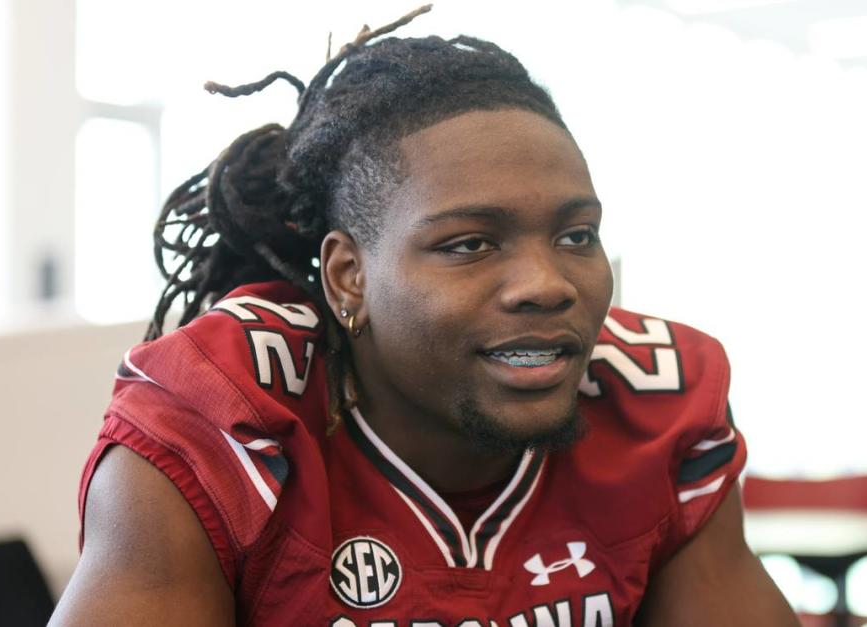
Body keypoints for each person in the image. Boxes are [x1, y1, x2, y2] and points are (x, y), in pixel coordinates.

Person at [51, 6, 798, 626]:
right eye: (469, 244)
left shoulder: (655, 406)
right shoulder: (222, 420)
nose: (546, 284)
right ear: (350, 277)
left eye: (576, 235)